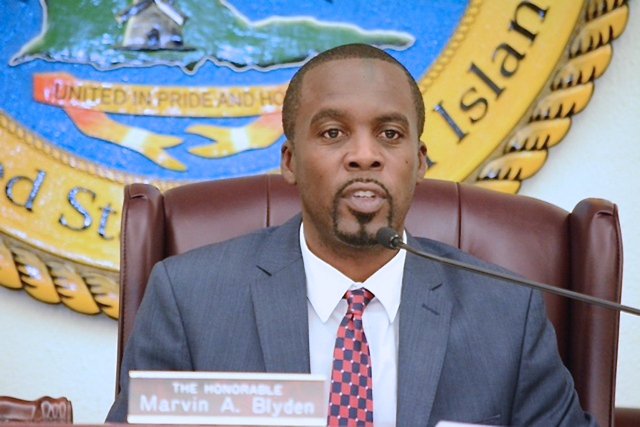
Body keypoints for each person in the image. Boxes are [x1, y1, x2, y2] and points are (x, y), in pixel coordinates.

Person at [107, 44, 595, 426]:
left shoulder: (507, 314)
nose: (365, 156)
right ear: (291, 163)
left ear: (419, 162)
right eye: (333, 133)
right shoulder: (189, 298)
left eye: (389, 134)